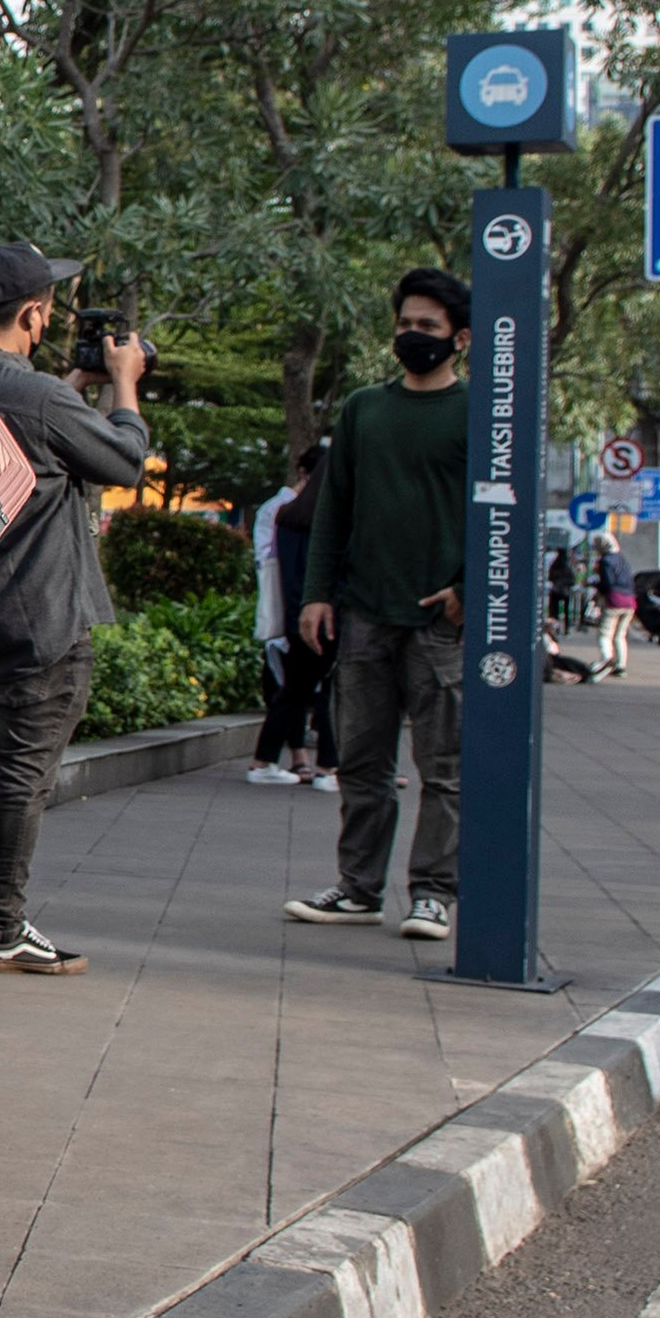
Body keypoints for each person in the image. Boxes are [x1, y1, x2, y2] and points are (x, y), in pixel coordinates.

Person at [0, 246, 151, 978]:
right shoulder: (46, 398)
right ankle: (2, 928)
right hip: (48, 616)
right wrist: (123, 386)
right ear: (35, 314)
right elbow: (123, 461)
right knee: (22, 773)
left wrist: (71, 389)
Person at [284, 269, 471, 944]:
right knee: (361, 762)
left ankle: (433, 894)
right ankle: (359, 888)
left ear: (461, 338)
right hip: (363, 615)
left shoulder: (477, 414)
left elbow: (498, 515)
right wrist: (315, 596)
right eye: (407, 323)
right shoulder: (365, 408)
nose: (413, 336)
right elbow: (334, 509)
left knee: (444, 768)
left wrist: (466, 591)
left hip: (438, 623)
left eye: (429, 327)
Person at [247, 445, 336, 787]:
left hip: (295, 616)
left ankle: (263, 761)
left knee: (292, 690)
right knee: (331, 689)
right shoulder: (328, 522)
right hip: (328, 614)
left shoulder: (286, 516)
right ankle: (328, 767)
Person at [595, 534, 638, 677]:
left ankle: (606, 661)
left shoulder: (605, 561)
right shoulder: (623, 559)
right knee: (620, 635)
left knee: (605, 634)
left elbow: (607, 582)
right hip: (629, 601)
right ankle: (621, 665)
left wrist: (597, 587)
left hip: (614, 600)